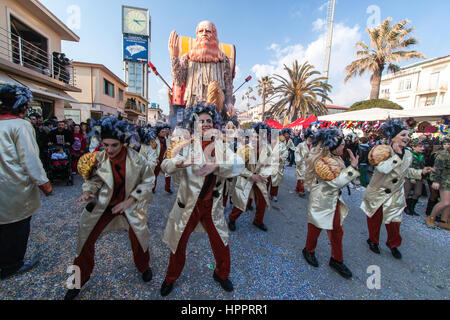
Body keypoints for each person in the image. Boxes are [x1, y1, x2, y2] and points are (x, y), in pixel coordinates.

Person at [64, 116, 155, 300]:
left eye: (114, 145)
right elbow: (94, 180)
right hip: (103, 206)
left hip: (130, 206)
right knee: (84, 241)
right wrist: (88, 191)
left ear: (123, 143)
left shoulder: (138, 159)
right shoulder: (98, 158)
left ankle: (144, 267)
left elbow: (148, 181)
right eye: (105, 145)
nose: (109, 149)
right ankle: (76, 281)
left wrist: (130, 200)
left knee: (139, 237)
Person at [159, 104, 243, 296]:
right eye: (201, 121)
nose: (205, 124)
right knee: (178, 243)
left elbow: (238, 163)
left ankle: (221, 274)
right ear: (194, 124)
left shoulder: (222, 145)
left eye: (209, 121)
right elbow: (165, 165)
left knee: (221, 243)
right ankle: (170, 277)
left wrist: (217, 165)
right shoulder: (184, 144)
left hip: (212, 206)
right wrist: (182, 162)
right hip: (188, 205)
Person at [0, 84, 52, 280]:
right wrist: (44, 183)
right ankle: (12, 265)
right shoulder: (20, 126)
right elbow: (29, 159)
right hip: (14, 186)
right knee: (17, 226)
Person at [361, 120, 434, 260]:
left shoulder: (408, 154)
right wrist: (395, 155)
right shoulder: (381, 150)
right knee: (374, 219)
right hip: (378, 192)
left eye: (408, 134)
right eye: (403, 134)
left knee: (395, 222)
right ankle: (373, 241)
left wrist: (420, 172)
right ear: (393, 137)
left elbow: (405, 171)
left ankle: (393, 244)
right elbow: (383, 169)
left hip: (395, 194)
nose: (407, 137)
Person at [301, 128, 360, 279]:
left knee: (336, 231)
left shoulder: (336, 158)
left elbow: (343, 179)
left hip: (333, 200)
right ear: (332, 146)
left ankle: (337, 260)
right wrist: (352, 167)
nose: (344, 147)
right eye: (341, 144)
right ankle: (308, 250)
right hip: (321, 200)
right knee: (315, 227)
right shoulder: (322, 162)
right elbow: (335, 183)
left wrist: (352, 168)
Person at [169, 21, 234, 119]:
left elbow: (228, 84)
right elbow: (178, 81)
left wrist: (229, 103)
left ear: (214, 35)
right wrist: (174, 56)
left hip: (215, 111)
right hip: (192, 107)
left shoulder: (223, 59)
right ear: (197, 35)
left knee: (213, 133)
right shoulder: (187, 57)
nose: (204, 33)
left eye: (208, 31)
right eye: (201, 31)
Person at [228, 123, 273, 232]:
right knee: (241, 201)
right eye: (254, 136)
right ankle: (232, 219)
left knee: (261, 202)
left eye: (258, 137)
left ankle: (258, 221)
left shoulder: (268, 149)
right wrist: (251, 175)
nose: (255, 139)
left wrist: (264, 174)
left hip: (261, 179)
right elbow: (238, 167)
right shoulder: (245, 150)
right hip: (246, 178)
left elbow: (271, 164)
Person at [426, 138, 450, 230]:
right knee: (445, 202)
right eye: (446, 144)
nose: (447, 145)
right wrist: (436, 181)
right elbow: (437, 168)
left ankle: (443, 221)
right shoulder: (443, 154)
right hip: (444, 181)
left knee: (449, 203)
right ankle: (431, 218)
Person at [404, 139, 426, 216]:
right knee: (407, 191)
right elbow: (407, 167)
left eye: (423, 146)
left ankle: (412, 207)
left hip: (419, 176)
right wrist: (411, 178)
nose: (422, 148)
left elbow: (423, 167)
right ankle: (405, 207)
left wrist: (423, 178)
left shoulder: (421, 156)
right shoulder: (409, 155)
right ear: (413, 147)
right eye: (420, 147)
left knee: (418, 192)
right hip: (409, 176)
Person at [268, 130, 289, 202]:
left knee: (275, 181)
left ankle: (273, 195)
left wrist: (281, 158)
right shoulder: (266, 144)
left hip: (277, 166)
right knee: (266, 181)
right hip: (267, 166)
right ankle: (263, 194)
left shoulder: (282, 145)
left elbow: (285, 153)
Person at [152, 123, 173, 194]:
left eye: (165, 131)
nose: (164, 133)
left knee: (168, 173)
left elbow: (169, 148)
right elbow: (152, 151)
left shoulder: (167, 139)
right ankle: (152, 188)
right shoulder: (154, 140)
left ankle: (168, 188)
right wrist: (155, 158)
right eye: (162, 132)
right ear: (158, 133)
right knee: (155, 174)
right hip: (157, 160)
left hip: (164, 159)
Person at [295, 127, 313, 197]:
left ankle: (297, 187)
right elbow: (297, 152)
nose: (311, 138)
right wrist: (298, 160)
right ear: (306, 137)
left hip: (310, 164)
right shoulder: (301, 145)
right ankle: (301, 190)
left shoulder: (313, 146)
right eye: (310, 137)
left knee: (307, 176)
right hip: (302, 163)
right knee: (302, 176)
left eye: (312, 137)